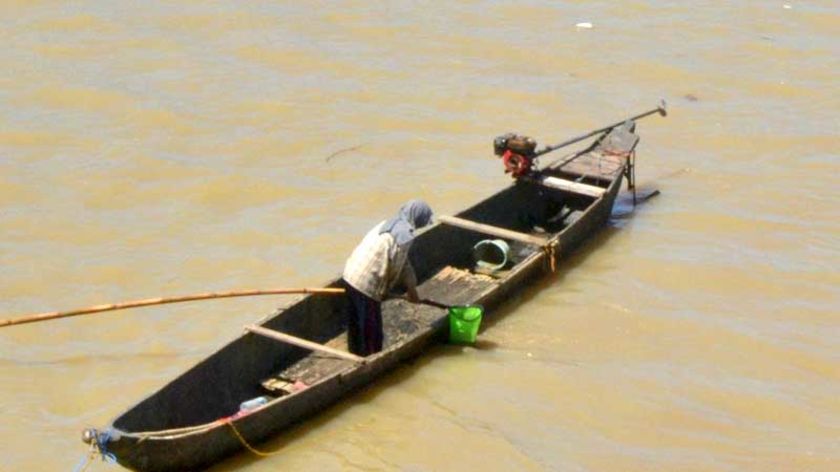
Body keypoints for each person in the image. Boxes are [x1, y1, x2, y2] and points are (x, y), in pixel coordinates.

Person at [341, 199, 433, 356]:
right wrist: (385, 292)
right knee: (373, 333)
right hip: (366, 283)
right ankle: (370, 360)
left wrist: (412, 291)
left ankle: (354, 352)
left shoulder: (389, 223)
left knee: (355, 323)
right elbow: (395, 268)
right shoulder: (405, 236)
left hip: (350, 273)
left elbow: (404, 264)